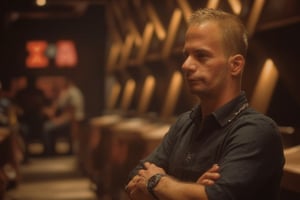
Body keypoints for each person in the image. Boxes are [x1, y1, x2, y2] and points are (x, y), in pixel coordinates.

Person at [125, 8, 285, 200]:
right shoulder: (184, 123)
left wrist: (158, 182)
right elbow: (134, 178)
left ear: (235, 65)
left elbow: (218, 196)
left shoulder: (256, 131)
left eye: (201, 56)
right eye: (187, 55)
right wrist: (190, 191)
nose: (186, 65)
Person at [43, 77, 85, 155]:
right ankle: (52, 151)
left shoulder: (72, 92)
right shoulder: (67, 92)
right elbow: (55, 108)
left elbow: (71, 113)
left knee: (47, 127)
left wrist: (58, 121)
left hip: (72, 121)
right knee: (48, 126)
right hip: (68, 120)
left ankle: (48, 152)